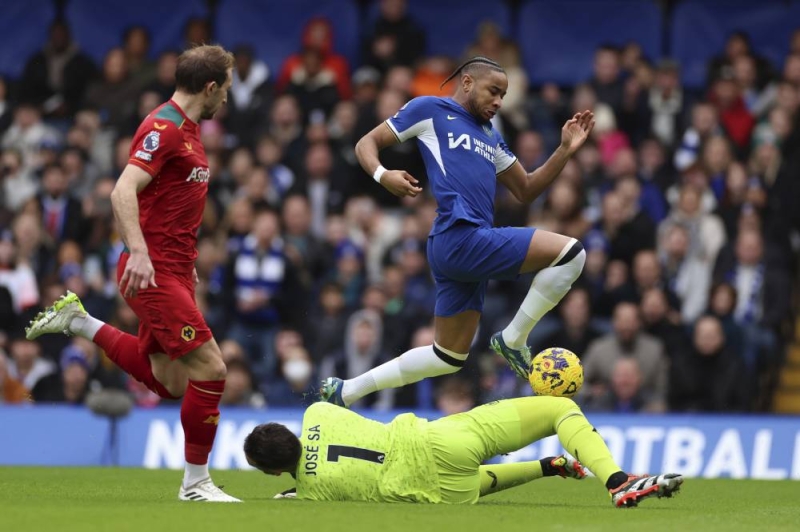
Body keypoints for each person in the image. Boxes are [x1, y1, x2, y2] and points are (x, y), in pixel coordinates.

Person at [25, 45, 240, 502]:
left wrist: (187, 262)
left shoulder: (190, 130)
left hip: (174, 269)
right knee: (212, 367)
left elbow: (171, 204)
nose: (227, 97)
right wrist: (139, 252)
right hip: (152, 271)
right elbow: (122, 190)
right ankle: (195, 483)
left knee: (172, 382)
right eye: (226, 87)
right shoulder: (163, 128)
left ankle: (81, 322)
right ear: (209, 87)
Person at [320, 57, 593, 407]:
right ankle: (513, 339)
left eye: (503, 95)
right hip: (459, 235)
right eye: (493, 91)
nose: (499, 101)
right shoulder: (429, 110)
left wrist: (564, 150)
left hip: (459, 248)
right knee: (572, 254)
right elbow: (365, 144)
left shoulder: (490, 135)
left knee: (447, 356)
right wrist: (382, 175)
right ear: (467, 83)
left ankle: (347, 390)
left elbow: (526, 189)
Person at [243, 397, 683, 507]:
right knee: (559, 409)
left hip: (440, 492)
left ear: (273, 472)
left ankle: (548, 467)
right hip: (438, 439)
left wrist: (293, 489)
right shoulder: (317, 413)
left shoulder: (312, 493)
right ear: (288, 429)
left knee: (469, 485)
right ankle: (617, 481)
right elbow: (335, 401)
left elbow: (303, 487)